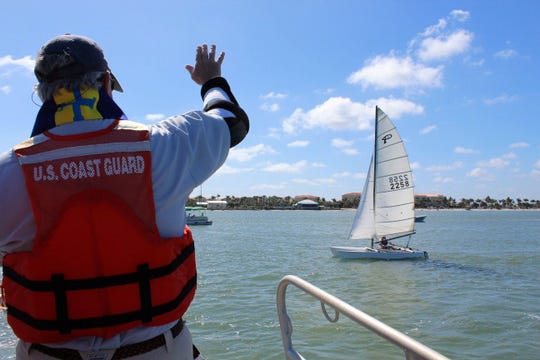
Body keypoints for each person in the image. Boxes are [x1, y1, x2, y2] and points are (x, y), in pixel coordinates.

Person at [0, 34, 248, 360]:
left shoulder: (8, 171)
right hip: (159, 352)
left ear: (42, 92)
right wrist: (211, 80)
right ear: (105, 83)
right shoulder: (163, 145)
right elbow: (232, 120)